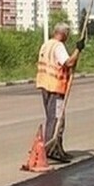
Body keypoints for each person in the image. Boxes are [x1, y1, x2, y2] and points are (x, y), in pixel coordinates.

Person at [36, 23, 83, 162]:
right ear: (63, 34)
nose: (68, 37)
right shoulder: (58, 46)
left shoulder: (46, 45)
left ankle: (57, 148)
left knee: (52, 118)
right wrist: (78, 50)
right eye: (67, 34)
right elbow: (68, 63)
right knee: (57, 119)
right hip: (56, 87)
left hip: (45, 85)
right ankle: (52, 149)